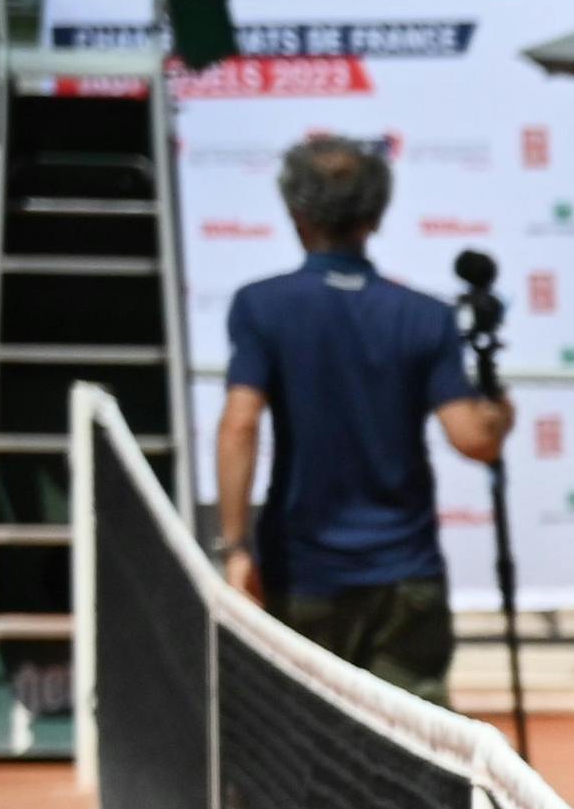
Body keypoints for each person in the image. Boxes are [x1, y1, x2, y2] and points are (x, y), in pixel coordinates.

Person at [212, 136, 513, 704]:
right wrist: (501, 399)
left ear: (296, 214)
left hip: (303, 574)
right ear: (375, 217)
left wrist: (234, 547)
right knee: (411, 758)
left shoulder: (261, 305)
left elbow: (240, 425)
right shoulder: (426, 317)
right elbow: (476, 439)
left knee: (299, 747)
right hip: (406, 577)